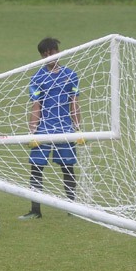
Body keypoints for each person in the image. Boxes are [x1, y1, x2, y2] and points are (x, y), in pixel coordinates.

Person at [19, 37, 81, 220]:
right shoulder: (37, 78)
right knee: (36, 167)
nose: (49, 56)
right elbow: (36, 106)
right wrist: (32, 132)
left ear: (58, 52)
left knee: (68, 167)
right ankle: (35, 210)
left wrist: (78, 129)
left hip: (65, 128)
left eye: (52, 52)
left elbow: (74, 103)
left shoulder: (71, 75)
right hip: (44, 128)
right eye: (44, 54)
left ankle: (73, 208)